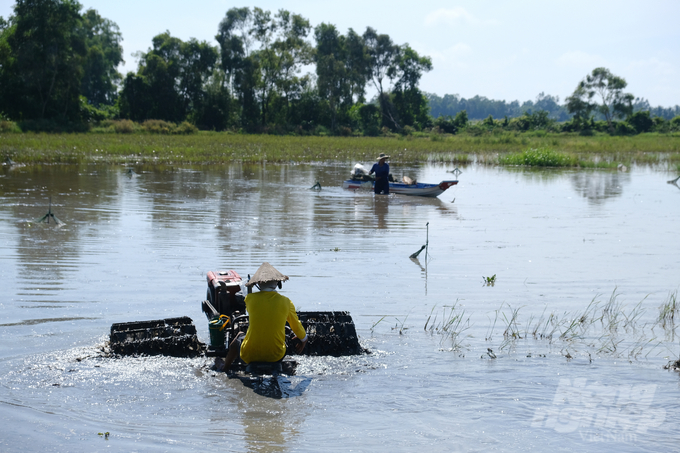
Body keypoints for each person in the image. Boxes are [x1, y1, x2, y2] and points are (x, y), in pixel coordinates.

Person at [219, 262, 307, 371]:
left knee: (240, 334)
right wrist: (304, 339)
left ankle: (225, 367)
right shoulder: (286, 302)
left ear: (258, 284)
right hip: (276, 355)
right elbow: (296, 326)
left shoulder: (250, 299)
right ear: (277, 283)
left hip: (250, 355)